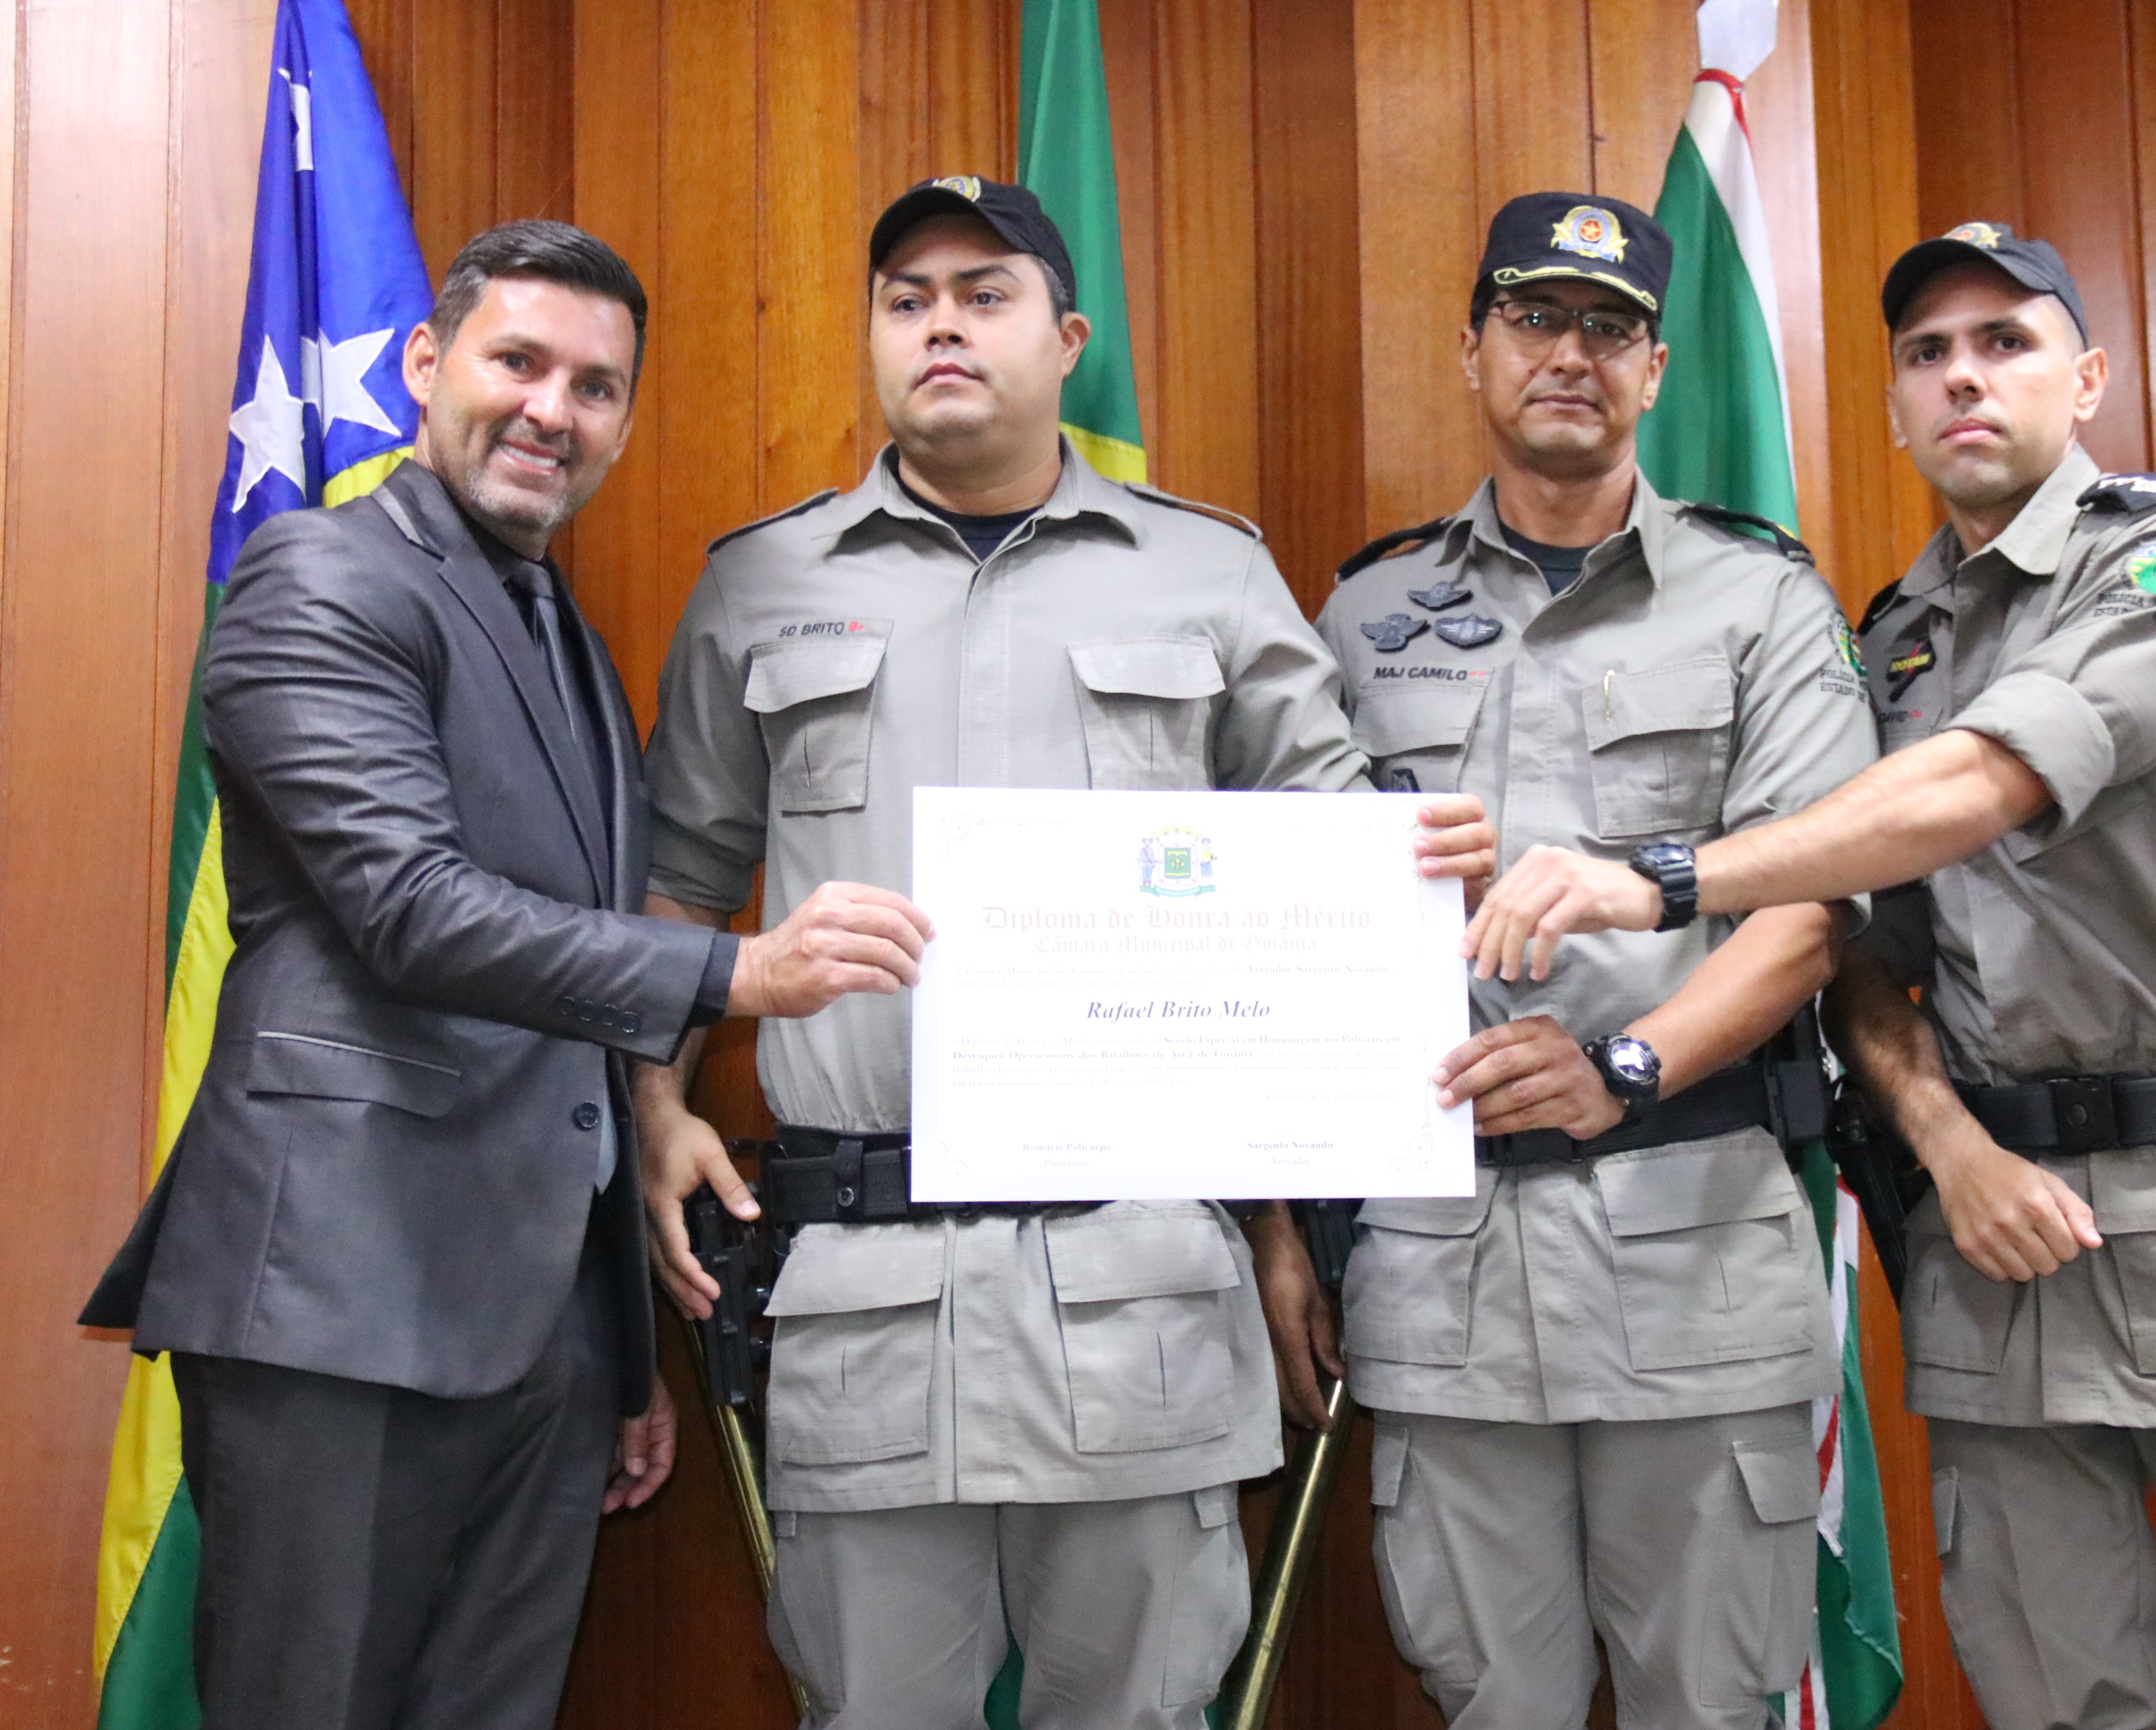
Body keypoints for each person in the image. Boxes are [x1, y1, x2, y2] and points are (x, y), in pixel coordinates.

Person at [1461, 222, 2156, 1730]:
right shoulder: (1896, 647)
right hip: (1998, 1254)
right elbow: (1868, 951)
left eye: (2006, 342)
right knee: (2050, 1699)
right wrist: (1946, 1142)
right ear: (1893, 407)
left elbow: (1982, 783)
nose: (1964, 378)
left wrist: (1665, 875)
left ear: (2089, 377)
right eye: (1928, 354)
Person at [633, 175, 1495, 1730]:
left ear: (1069, 339)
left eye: (985, 295)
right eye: (907, 300)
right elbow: (682, 884)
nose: (942, 327)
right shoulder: (761, 581)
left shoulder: (1205, 572)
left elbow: (1326, 877)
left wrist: (1292, 1208)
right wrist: (654, 1105)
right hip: (865, 1289)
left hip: (1137, 1282)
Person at [79, 221, 910, 1730]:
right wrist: (739, 971)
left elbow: (563, 1016)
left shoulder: (563, 634)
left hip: (536, 1338)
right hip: (340, 1309)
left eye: (596, 387)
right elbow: (411, 912)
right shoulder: (321, 574)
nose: (552, 410)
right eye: (516, 361)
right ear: (424, 362)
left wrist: (611, 1351)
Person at [1296, 191, 1877, 1728]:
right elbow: (1293, 911)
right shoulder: (1363, 613)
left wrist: (1626, 1065)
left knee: (1714, 1704)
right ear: (1473, 349)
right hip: (1443, 1272)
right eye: (1536, 317)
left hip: (1695, 1259)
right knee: (1489, 1703)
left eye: (1610, 329)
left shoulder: (1761, 600)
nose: (1572, 353)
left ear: (1657, 369)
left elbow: (1815, 903)